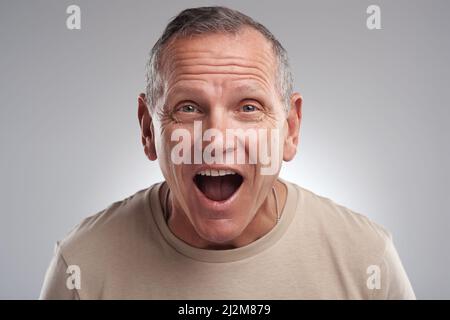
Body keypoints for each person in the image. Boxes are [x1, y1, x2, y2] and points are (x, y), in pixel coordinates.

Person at [40, 6, 415, 299]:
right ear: (147, 129)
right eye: (188, 107)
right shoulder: (82, 264)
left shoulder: (367, 258)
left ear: (291, 128)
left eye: (249, 107)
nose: (216, 139)